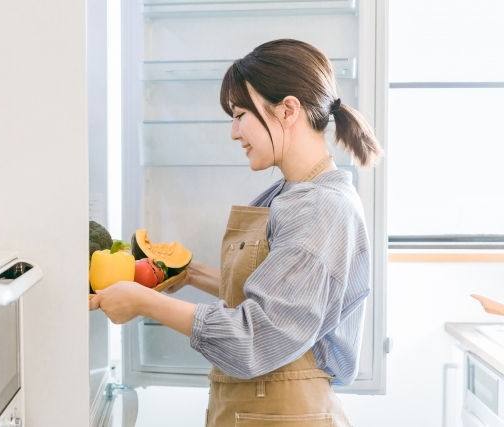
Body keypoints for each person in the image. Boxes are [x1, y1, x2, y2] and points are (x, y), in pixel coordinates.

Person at [89, 39, 383, 426]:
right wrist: (191, 274)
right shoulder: (290, 194)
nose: (233, 132)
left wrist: (145, 303)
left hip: (285, 412)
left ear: (288, 109)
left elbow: (256, 338)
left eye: (240, 113)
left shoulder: (320, 207)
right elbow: (273, 298)